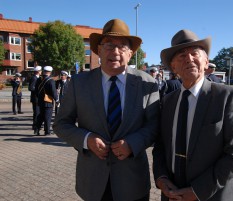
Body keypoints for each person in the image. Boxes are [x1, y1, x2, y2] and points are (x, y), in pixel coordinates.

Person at [53, 19, 160, 201]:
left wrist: (133, 143)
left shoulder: (147, 83)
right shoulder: (79, 83)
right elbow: (61, 124)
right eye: (109, 45)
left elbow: (155, 125)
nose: (115, 52)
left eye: (122, 46)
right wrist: (87, 139)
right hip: (93, 182)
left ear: (131, 52)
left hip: (133, 182)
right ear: (99, 50)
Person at [152, 29, 233, 201]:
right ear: (173, 67)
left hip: (213, 195)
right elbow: (160, 146)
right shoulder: (167, 102)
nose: (189, 58)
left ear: (206, 62)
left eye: (194, 53)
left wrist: (198, 191)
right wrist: (161, 179)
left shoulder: (227, 97)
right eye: (181, 55)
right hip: (172, 194)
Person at [35, 66, 58, 135]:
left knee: (41, 116)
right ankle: (47, 131)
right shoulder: (51, 81)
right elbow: (54, 92)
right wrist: (57, 100)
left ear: (44, 71)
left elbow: (36, 91)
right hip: (48, 101)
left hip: (40, 101)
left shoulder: (39, 79)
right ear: (50, 72)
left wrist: (39, 97)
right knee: (47, 117)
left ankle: (37, 129)